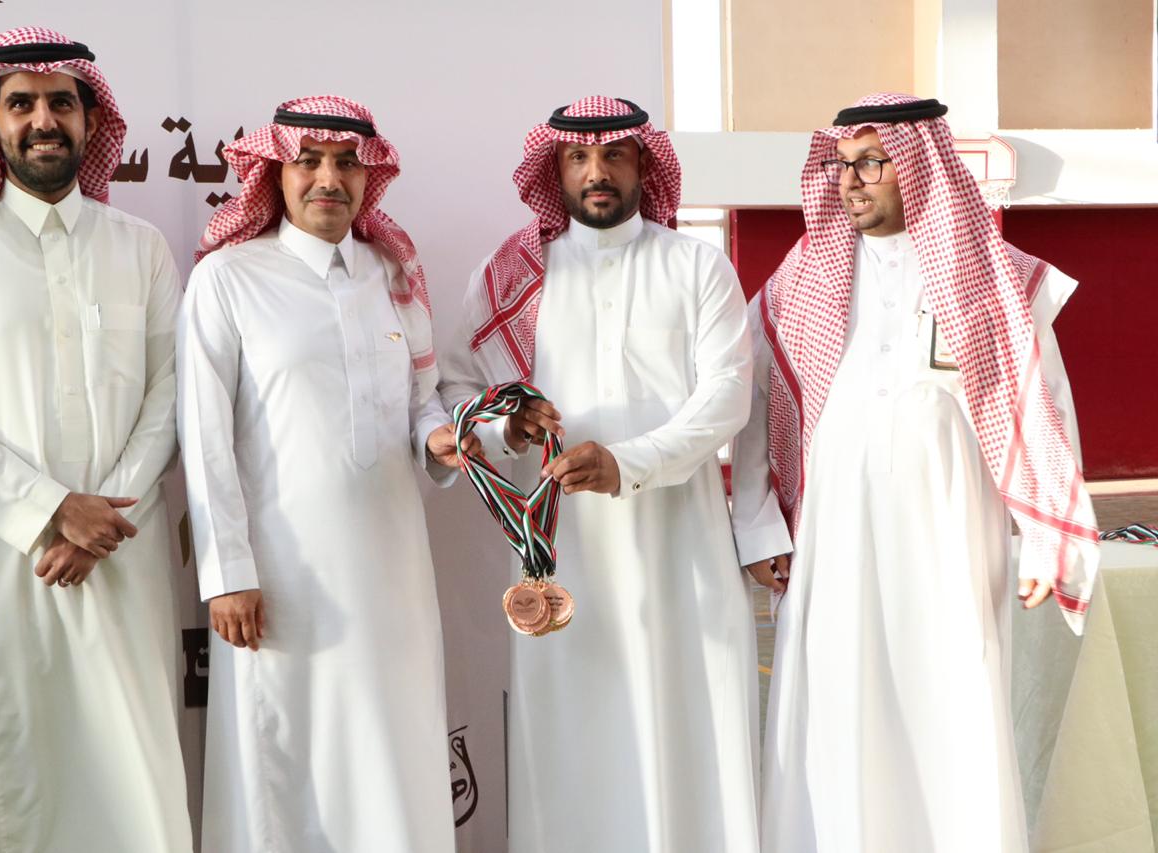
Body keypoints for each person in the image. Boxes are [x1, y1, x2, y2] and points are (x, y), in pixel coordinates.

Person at [732, 93, 1099, 853]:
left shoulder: (993, 278)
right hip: (830, 532)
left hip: (948, 525)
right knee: (836, 695)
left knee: (950, 691)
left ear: (922, 165)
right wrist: (760, 525)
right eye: (842, 165)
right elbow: (756, 402)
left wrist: (1044, 534)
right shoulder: (801, 277)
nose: (851, 180)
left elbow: (1042, 404)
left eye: (874, 162)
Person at [0, 27, 192, 852]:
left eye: (62, 102)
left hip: (121, 552)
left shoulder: (142, 249)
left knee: (128, 773)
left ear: (92, 121)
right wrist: (54, 508)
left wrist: (104, 520)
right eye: (20, 104)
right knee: (1, 778)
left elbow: (171, 395)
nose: (43, 120)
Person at [440, 95, 760, 852]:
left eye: (614, 155)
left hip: (680, 546)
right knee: (571, 733)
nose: (596, 172)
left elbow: (727, 396)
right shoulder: (513, 273)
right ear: (554, 169)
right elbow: (458, 393)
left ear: (643, 163)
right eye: (578, 158)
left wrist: (630, 462)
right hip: (564, 552)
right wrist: (508, 426)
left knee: (686, 723)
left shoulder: (696, 265)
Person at [180, 95, 466, 853]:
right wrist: (227, 573)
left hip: (393, 567)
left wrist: (439, 438)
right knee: (285, 758)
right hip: (280, 574)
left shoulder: (394, 274)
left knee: (392, 746)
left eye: (347, 163)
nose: (329, 179)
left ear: (370, 176)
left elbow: (421, 401)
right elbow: (204, 437)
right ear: (275, 172)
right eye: (308, 161)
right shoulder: (229, 278)